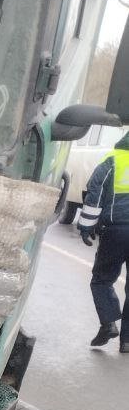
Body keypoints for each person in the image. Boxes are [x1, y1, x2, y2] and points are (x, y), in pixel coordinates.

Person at [78, 131, 129, 350]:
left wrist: (86, 226)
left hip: (115, 231)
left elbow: (95, 193)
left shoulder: (113, 161)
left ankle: (108, 323)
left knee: (101, 280)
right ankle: (127, 341)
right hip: (117, 230)